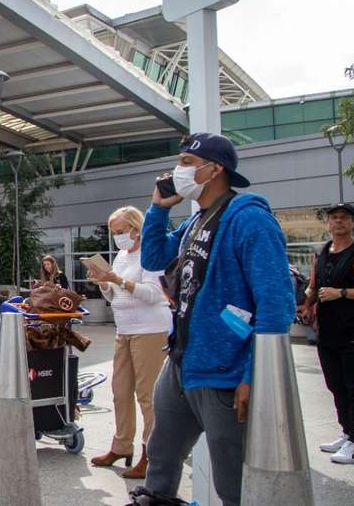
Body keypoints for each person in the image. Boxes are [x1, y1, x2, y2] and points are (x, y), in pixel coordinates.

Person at [139, 132, 295, 504]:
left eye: (187, 163)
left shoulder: (249, 220)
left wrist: (253, 374)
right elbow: (154, 257)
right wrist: (158, 208)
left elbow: (276, 303)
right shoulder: (195, 222)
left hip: (225, 369)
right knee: (161, 456)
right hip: (182, 361)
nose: (178, 170)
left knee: (232, 476)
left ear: (215, 169)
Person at [87, 206, 171, 479]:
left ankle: (152, 454)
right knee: (120, 391)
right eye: (114, 232)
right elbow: (114, 296)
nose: (117, 237)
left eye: (120, 231)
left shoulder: (152, 254)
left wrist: (119, 280)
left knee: (148, 396)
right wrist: (104, 283)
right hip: (124, 330)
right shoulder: (122, 255)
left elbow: (156, 295)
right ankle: (122, 445)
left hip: (150, 330)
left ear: (136, 228)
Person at [299, 202, 354, 464]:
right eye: (334, 218)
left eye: (344, 218)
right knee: (335, 387)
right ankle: (347, 432)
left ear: (352, 223)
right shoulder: (322, 251)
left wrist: (342, 293)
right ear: (327, 223)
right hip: (328, 333)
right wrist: (305, 303)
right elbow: (313, 286)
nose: (339, 222)